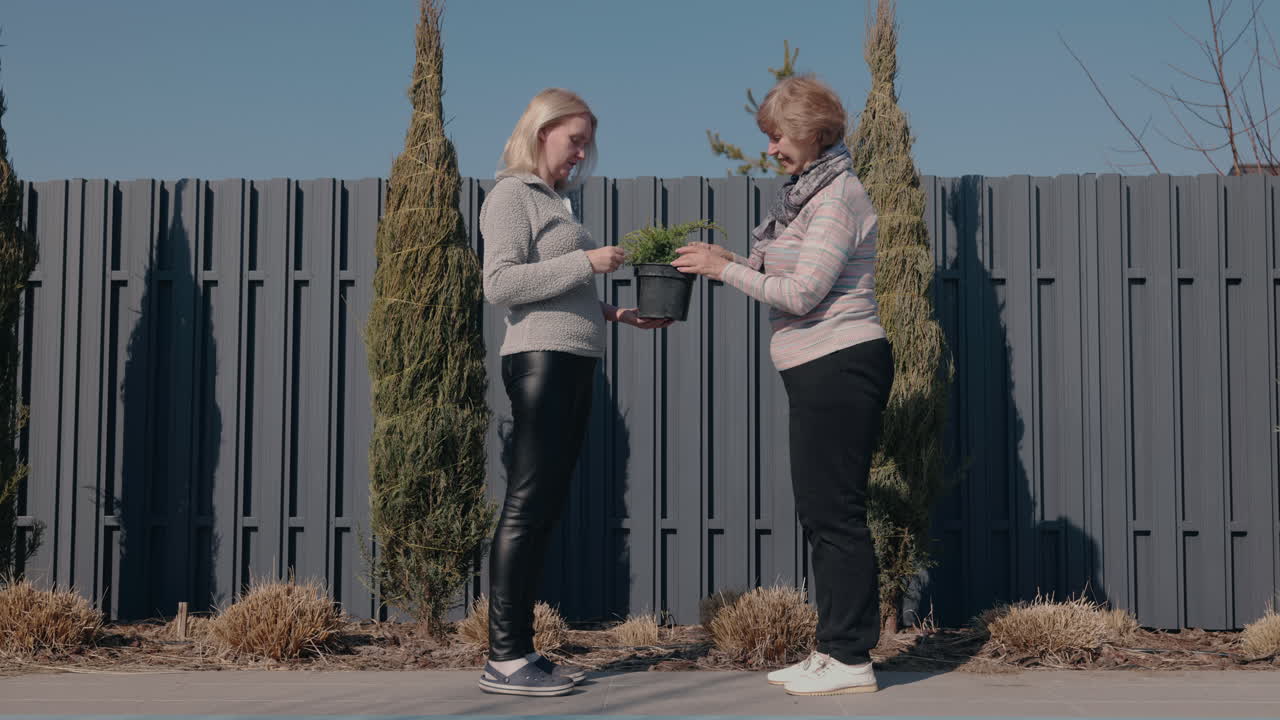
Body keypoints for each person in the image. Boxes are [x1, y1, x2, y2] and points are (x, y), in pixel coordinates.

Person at [673, 74, 893, 697]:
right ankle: (833, 649)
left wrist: (727, 270)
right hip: (817, 366)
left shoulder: (837, 196)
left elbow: (802, 293)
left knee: (836, 513)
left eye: (777, 135)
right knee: (821, 511)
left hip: (841, 361)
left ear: (812, 130)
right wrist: (723, 264)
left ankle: (850, 658)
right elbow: (784, 276)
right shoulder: (808, 195)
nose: (770, 148)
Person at [477, 87, 671, 697]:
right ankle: (505, 659)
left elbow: (559, 293)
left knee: (544, 508)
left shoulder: (555, 203)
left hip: (573, 357)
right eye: (574, 141)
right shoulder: (512, 195)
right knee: (527, 505)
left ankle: (521, 653)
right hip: (541, 361)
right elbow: (501, 283)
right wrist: (587, 263)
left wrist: (615, 315)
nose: (582, 154)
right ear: (541, 133)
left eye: (587, 144)